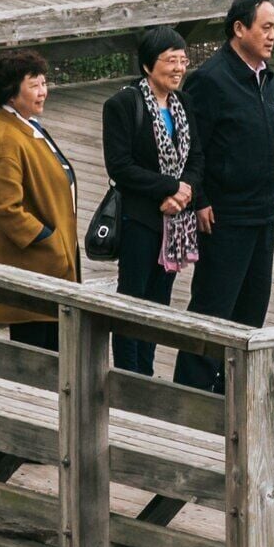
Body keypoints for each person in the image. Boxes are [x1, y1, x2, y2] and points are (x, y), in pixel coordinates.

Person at [177, 0, 274, 391]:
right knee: (213, 305)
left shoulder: (266, 75)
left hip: (262, 213)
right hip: (224, 214)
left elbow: (269, 140)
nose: (273, 35)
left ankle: (235, 387)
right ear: (239, 29)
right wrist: (200, 199)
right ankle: (192, 387)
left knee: (253, 306)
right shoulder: (210, 79)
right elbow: (194, 146)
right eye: (266, 27)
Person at [101, 28, 200, 376]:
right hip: (140, 219)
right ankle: (129, 373)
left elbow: (197, 158)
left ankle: (148, 369)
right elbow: (120, 166)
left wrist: (185, 191)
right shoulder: (123, 105)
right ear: (147, 65)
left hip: (175, 222)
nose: (178, 68)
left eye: (182, 60)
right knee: (133, 297)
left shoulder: (184, 103)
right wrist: (170, 187)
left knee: (160, 300)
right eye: (169, 60)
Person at [0, 52, 80, 346]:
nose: (43, 91)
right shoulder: (6, 139)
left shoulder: (27, 125)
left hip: (50, 269)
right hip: (35, 270)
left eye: (44, 83)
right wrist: (49, 241)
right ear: (11, 93)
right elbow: (4, 207)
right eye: (34, 85)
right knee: (40, 362)